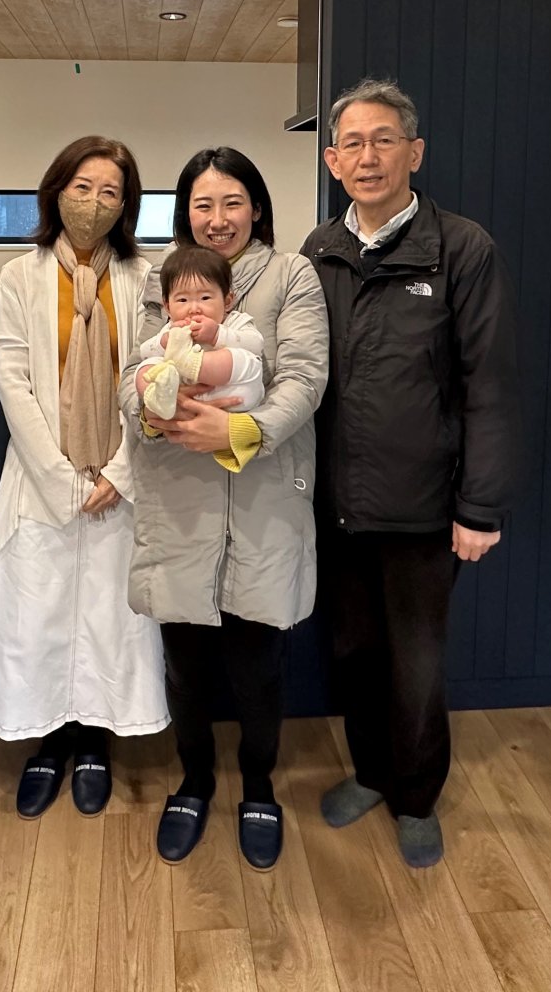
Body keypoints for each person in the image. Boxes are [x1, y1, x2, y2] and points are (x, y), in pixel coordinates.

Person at [302, 77, 519, 870]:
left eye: (383, 140)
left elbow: (489, 385)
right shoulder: (317, 252)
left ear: (414, 152)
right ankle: (371, 773)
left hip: (425, 509)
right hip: (336, 504)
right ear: (333, 160)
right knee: (354, 653)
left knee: (417, 666)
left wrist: (480, 506)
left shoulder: (462, 248)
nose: (368, 157)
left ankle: (417, 796)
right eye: (353, 143)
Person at [123, 147, 327, 872]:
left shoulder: (291, 274)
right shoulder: (165, 278)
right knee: (184, 660)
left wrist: (244, 429)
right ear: (186, 213)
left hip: (263, 496)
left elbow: (305, 377)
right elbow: (133, 371)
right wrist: (154, 414)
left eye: (232, 202)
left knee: (256, 662)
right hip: (179, 499)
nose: (217, 218)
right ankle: (195, 781)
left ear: (257, 208)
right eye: (203, 205)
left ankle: (260, 787)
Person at [0, 135, 169, 816]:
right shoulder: (19, 277)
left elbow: (152, 379)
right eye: (82, 187)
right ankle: (47, 743)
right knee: (40, 619)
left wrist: (120, 472)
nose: (94, 203)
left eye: (110, 192)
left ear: (126, 205)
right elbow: (14, 381)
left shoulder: (143, 278)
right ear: (56, 191)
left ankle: (95, 745)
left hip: (119, 478)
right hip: (41, 478)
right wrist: (61, 478)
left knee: (109, 622)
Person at [135, 244, 266, 420]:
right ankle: (158, 398)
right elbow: (144, 351)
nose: (194, 308)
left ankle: (187, 362)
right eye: (182, 300)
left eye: (205, 298)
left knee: (241, 358)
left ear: (227, 300)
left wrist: (217, 335)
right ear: (167, 306)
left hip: (230, 397)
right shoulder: (172, 328)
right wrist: (165, 341)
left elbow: (256, 345)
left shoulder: (235, 321)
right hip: (180, 399)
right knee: (145, 369)